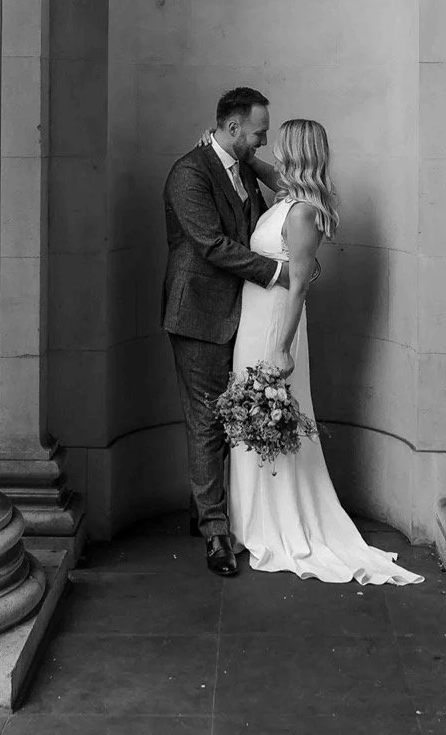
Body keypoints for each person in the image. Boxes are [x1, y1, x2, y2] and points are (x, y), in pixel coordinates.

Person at [229, 118, 424, 585]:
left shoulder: (301, 213)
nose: (271, 147)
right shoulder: (288, 198)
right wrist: (238, 153)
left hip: (275, 323)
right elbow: (268, 171)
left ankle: (274, 524)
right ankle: (250, 518)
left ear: (295, 151)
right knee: (250, 419)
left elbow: (298, 286)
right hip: (253, 318)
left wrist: (280, 347)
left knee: (270, 418)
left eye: (281, 143)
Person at [162, 87, 289, 578]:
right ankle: (215, 533)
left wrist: (253, 164)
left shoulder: (241, 168)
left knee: (224, 422)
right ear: (233, 128)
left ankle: (211, 512)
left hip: (238, 316)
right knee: (207, 425)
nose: (263, 141)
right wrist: (279, 275)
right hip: (197, 317)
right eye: (258, 133)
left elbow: (273, 201)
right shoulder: (188, 174)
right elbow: (213, 245)